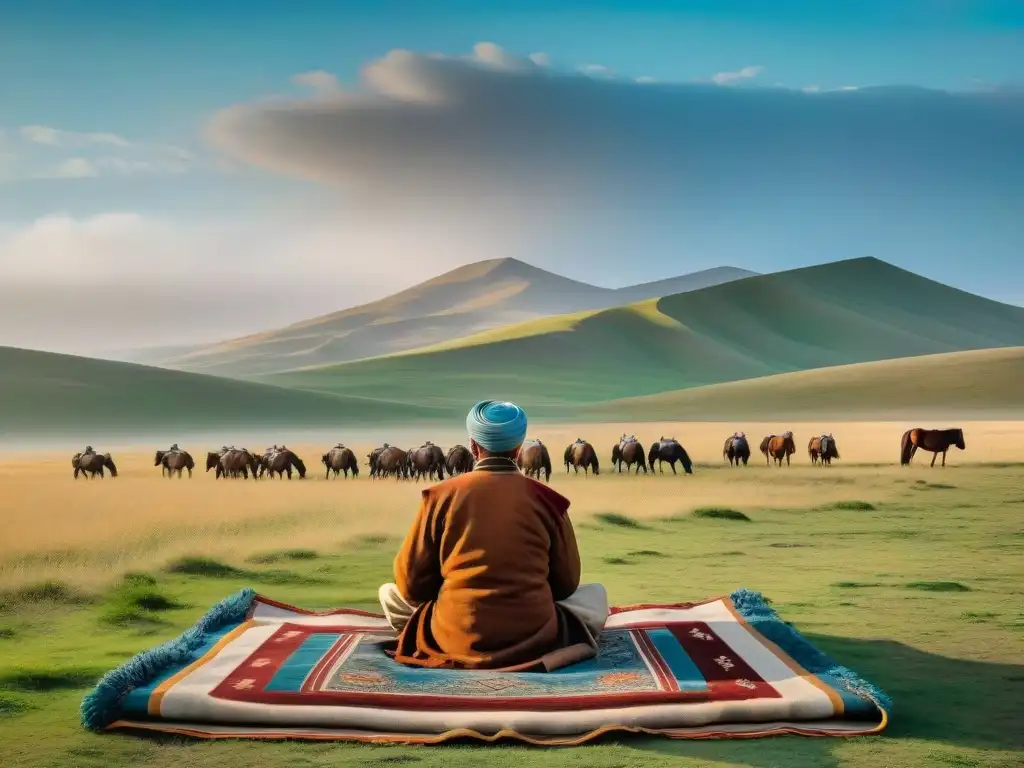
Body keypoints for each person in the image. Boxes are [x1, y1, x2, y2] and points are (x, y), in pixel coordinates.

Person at [379, 400, 608, 671]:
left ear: (473, 446)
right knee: (596, 595)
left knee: (388, 593)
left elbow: (410, 586)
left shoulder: (438, 497)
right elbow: (567, 584)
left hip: (454, 637)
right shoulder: (549, 501)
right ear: (520, 447)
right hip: (536, 637)